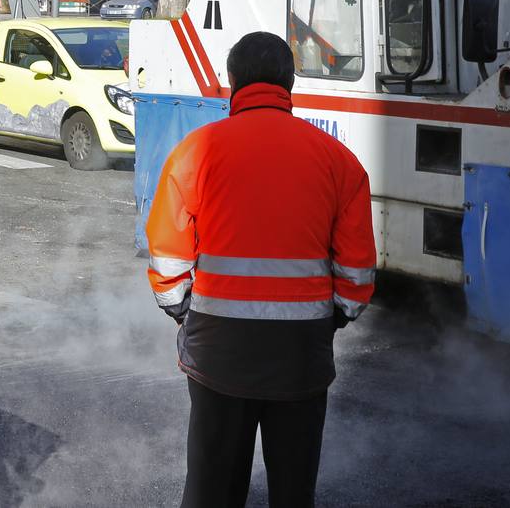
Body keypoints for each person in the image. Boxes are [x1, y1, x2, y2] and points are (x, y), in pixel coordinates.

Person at [145, 31, 376, 508]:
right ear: (290, 83)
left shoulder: (196, 151)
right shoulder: (339, 161)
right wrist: (330, 318)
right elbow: (356, 278)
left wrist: (183, 310)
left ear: (232, 82)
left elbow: (169, 261)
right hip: (300, 356)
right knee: (293, 492)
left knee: (212, 490)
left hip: (218, 352)